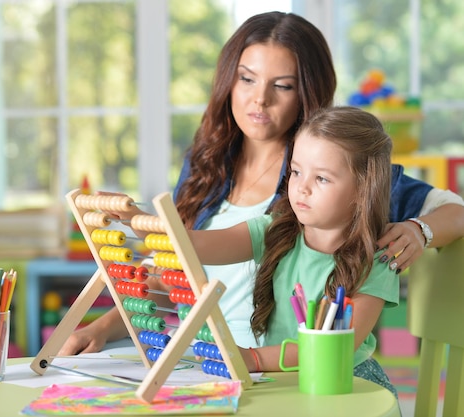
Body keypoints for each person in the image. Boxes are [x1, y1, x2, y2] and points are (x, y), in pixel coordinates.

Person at [58, 11, 464, 355]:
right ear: (228, 82)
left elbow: (456, 212)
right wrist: (102, 328)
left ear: (307, 92)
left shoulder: (334, 172)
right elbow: (174, 265)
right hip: (202, 360)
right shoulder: (206, 165)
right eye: (247, 79)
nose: (259, 100)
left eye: (282, 86)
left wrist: (419, 229)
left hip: (280, 368)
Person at [187, 106, 398, 396]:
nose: (301, 188)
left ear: (364, 189)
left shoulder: (377, 261)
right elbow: (197, 246)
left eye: (321, 178)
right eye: (296, 172)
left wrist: (254, 358)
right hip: (282, 381)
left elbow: (336, 348)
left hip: (345, 385)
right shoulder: (275, 231)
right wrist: (143, 227)